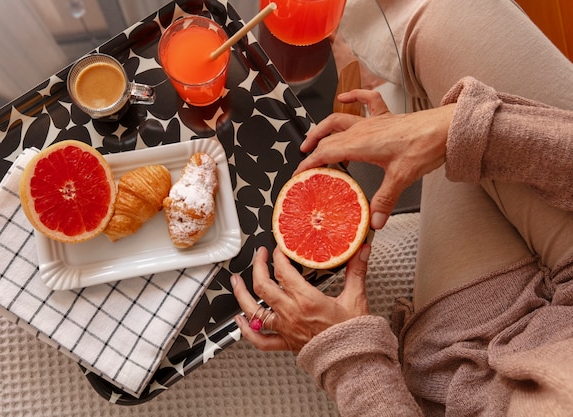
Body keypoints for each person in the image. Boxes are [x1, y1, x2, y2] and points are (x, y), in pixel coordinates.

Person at [231, 0, 573, 415]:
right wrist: (455, 129)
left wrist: (347, 357)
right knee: (451, 18)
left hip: (483, 368)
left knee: (434, 79)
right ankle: (384, 65)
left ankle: (383, 68)